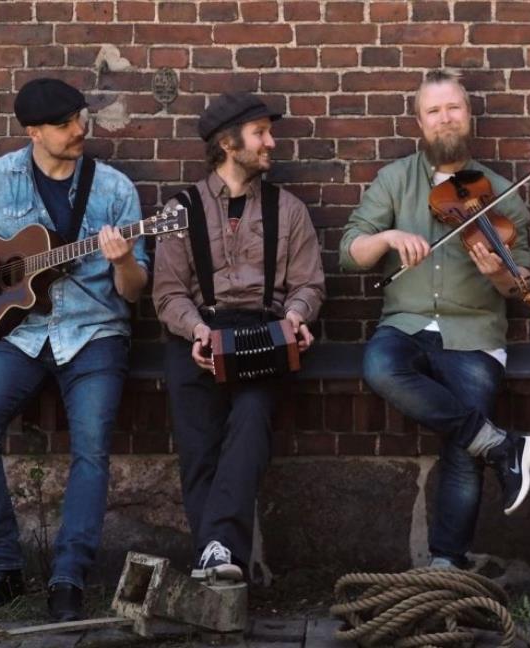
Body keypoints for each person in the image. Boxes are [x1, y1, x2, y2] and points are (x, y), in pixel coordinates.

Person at [0, 78, 149, 621]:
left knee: (92, 446)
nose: (79, 130)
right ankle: (3, 569)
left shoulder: (114, 189)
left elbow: (134, 292)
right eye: (64, 124)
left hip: (94, 332)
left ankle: (68, 578)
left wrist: (122, 260)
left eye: (81, 118)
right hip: (19, 335)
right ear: (33, 132)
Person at [338, 70, 530, 570]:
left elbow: (520, 286)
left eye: (453, 108)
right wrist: (387, 238)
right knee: (380, 367)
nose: (445, 119)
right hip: (404, 325)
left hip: (474, 332)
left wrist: (498, 274)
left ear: (468, 116)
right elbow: (349, 251)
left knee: (462, 448)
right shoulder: (395, 180)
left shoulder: (500, 192)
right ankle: (501, 445)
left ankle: (447, 564)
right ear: (419, 122)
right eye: (434, 111)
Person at [152, 92, 325, 582]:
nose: (271, 143)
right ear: (228, 144)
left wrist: (296, 317)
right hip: (198, 331)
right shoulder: (180, 209)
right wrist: (197, 330)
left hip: (264, 332)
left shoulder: (288, 210)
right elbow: (167, 293)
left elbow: (309, 284)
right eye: (260, 134)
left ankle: (218, 550)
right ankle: (217, 562)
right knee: (198, 447)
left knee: (250, 423)